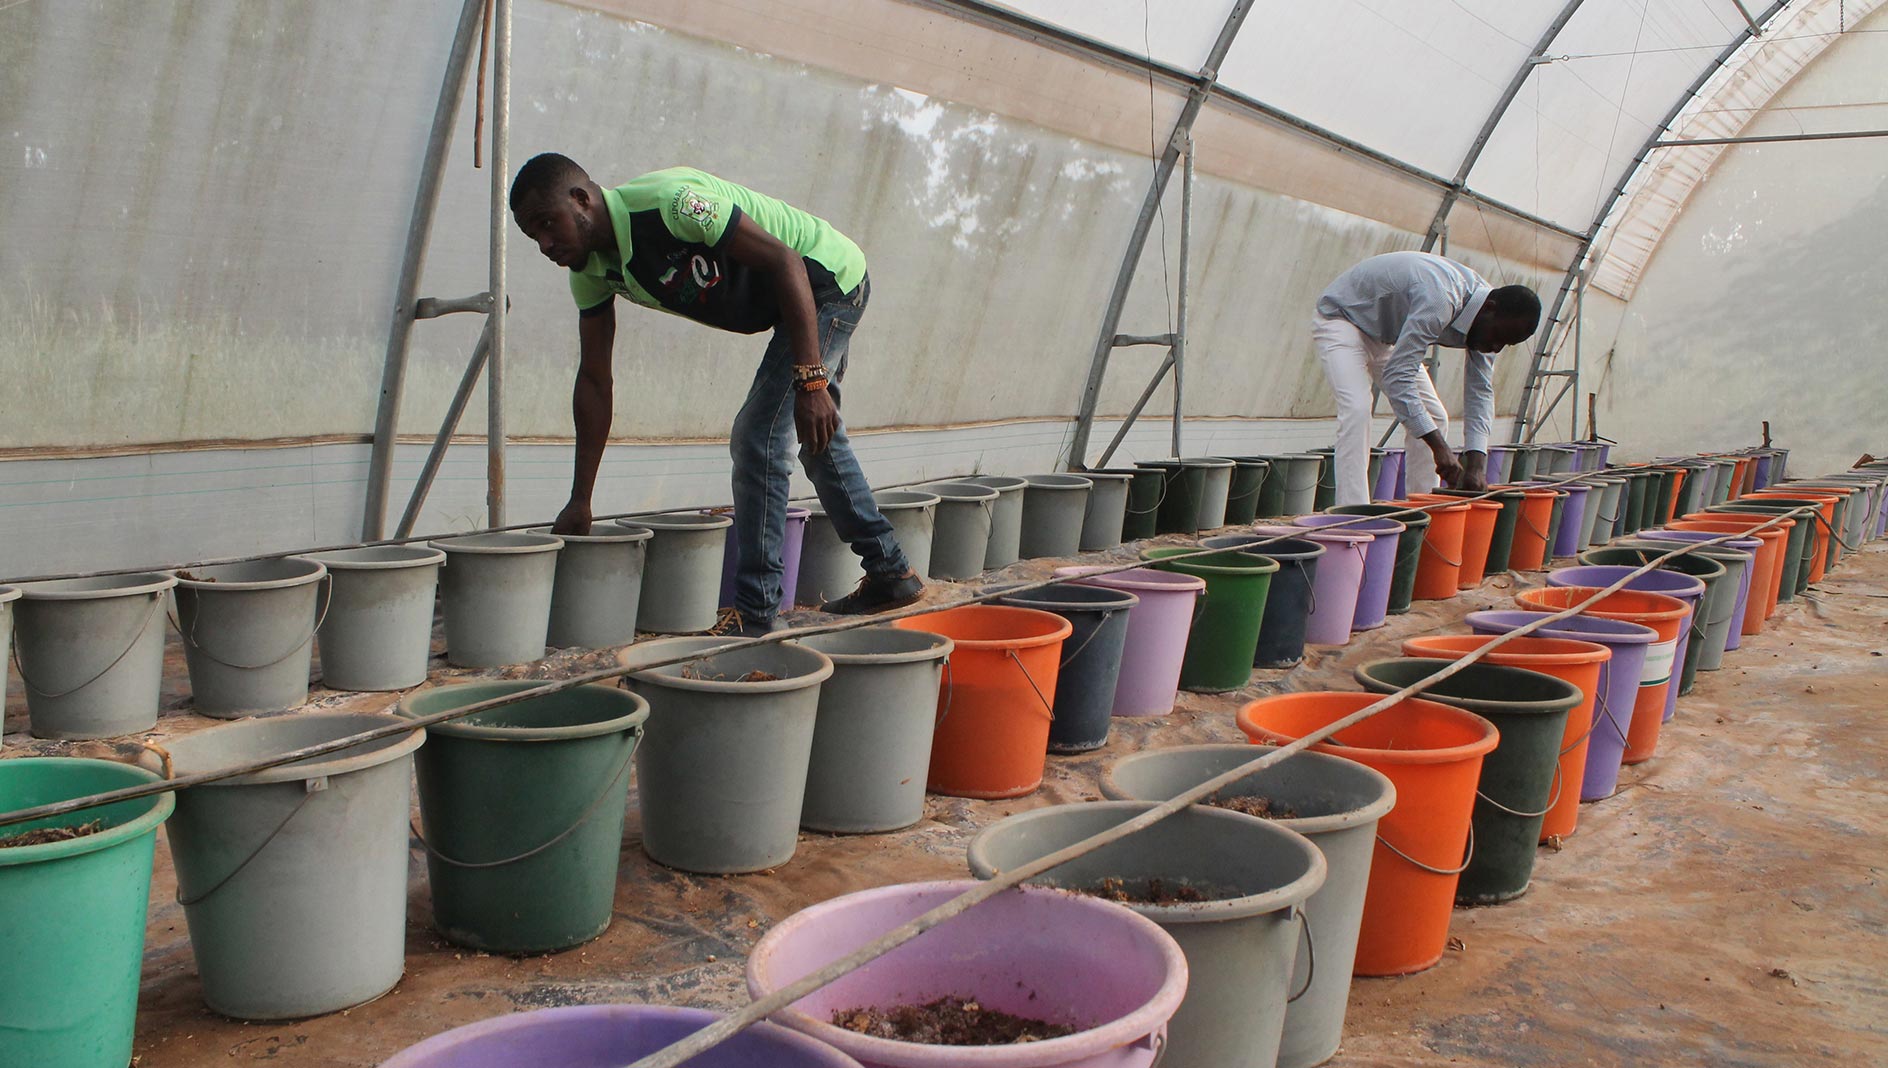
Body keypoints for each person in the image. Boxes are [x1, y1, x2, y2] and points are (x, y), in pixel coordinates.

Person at [509, 154, 922, 636]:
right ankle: (891, 572)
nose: (544, 244)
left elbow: (786, 259)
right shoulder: (591, 273)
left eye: (547, 224)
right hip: (789, 303)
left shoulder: (672, 205)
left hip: (824, 278)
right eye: (532, 235)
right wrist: (581, 499)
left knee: (758, 436)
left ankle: (754, 614)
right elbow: (595, 381)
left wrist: (811, 381)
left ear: (581, 199)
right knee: (815, 434)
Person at [1312, 251, 1542, 505]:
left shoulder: (1491, 318)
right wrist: (1440, 449)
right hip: (1343, 319)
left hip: (1388, 337)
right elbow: (1399, 378)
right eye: (1498, 337)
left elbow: (1480, 392)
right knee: (1357, 409)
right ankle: (1353, 513)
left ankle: (1423, 507)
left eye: (1505, 345)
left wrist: (1476, 465)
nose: (1496, 348)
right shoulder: (1440, 300)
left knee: (1434, 417)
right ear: (1489, 309)